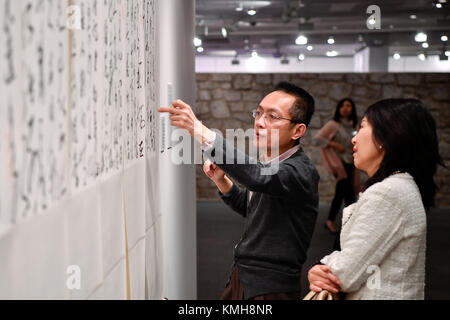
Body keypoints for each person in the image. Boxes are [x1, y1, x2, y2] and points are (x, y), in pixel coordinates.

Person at [158, 82, 319, 300]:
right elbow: (253, 208)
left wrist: (200, 131)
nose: (260, 122)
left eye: (273, 116)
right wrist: (221, 181)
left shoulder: (300, 171)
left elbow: (256, 176)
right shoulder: (270, 160)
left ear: (298, 130)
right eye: (259, 113)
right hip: (245, 276)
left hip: (270, 288)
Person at [308, 99, 444, 299]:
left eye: (362, 127)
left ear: (385, 138)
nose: (354, 139)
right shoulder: (398, 186)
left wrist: (321, 268)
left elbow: (344, 274)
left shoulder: (388, 194)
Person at [314, 98, 360, 240]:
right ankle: (350, 224)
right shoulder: (334, 124)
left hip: (351, 162)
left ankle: (331, 222)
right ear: (339, 108)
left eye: (349, 106)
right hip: (339, 164)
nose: (346, 108)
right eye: (343, 106)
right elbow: (318, 139)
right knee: (349, 194)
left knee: (342, 193)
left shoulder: (354, 126)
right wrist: (334, 145)